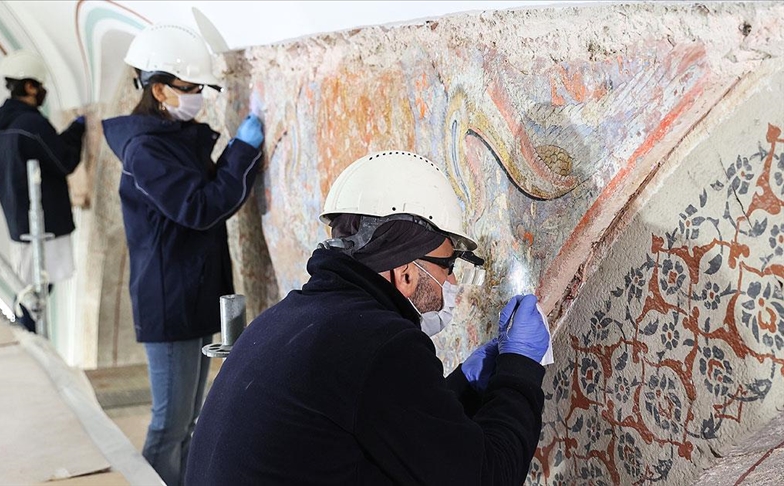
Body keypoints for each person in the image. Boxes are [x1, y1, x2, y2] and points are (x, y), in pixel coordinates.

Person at [186, 150, 552, 485]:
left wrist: (464, 386)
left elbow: (392, 424)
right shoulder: (380, 345)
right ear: (407, 272)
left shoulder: (289, 317)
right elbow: (487, 477)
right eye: (447, 265)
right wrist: (519, 368)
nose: (452, 281)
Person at [102, 24, 264, 486]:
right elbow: (199, 207)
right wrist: (241, 152)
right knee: (168, 424)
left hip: (191, 288)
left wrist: (237, 153)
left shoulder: (171, 136)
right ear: (158, 90)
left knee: (191, 420)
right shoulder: (145, 149)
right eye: (190, 89)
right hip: (169, 298)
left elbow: (205, 194)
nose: (197, 97)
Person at [0, 50, 85, 333]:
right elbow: (63, 160)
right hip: (41, 226)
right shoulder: (30, 124)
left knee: (29, 292)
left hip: (20, 225)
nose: (43, 92)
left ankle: (25, 340)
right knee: (34, 298)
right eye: (41, 86)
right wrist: (78, 130)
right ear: (30, 86)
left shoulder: (4, 126)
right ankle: (27, 347)